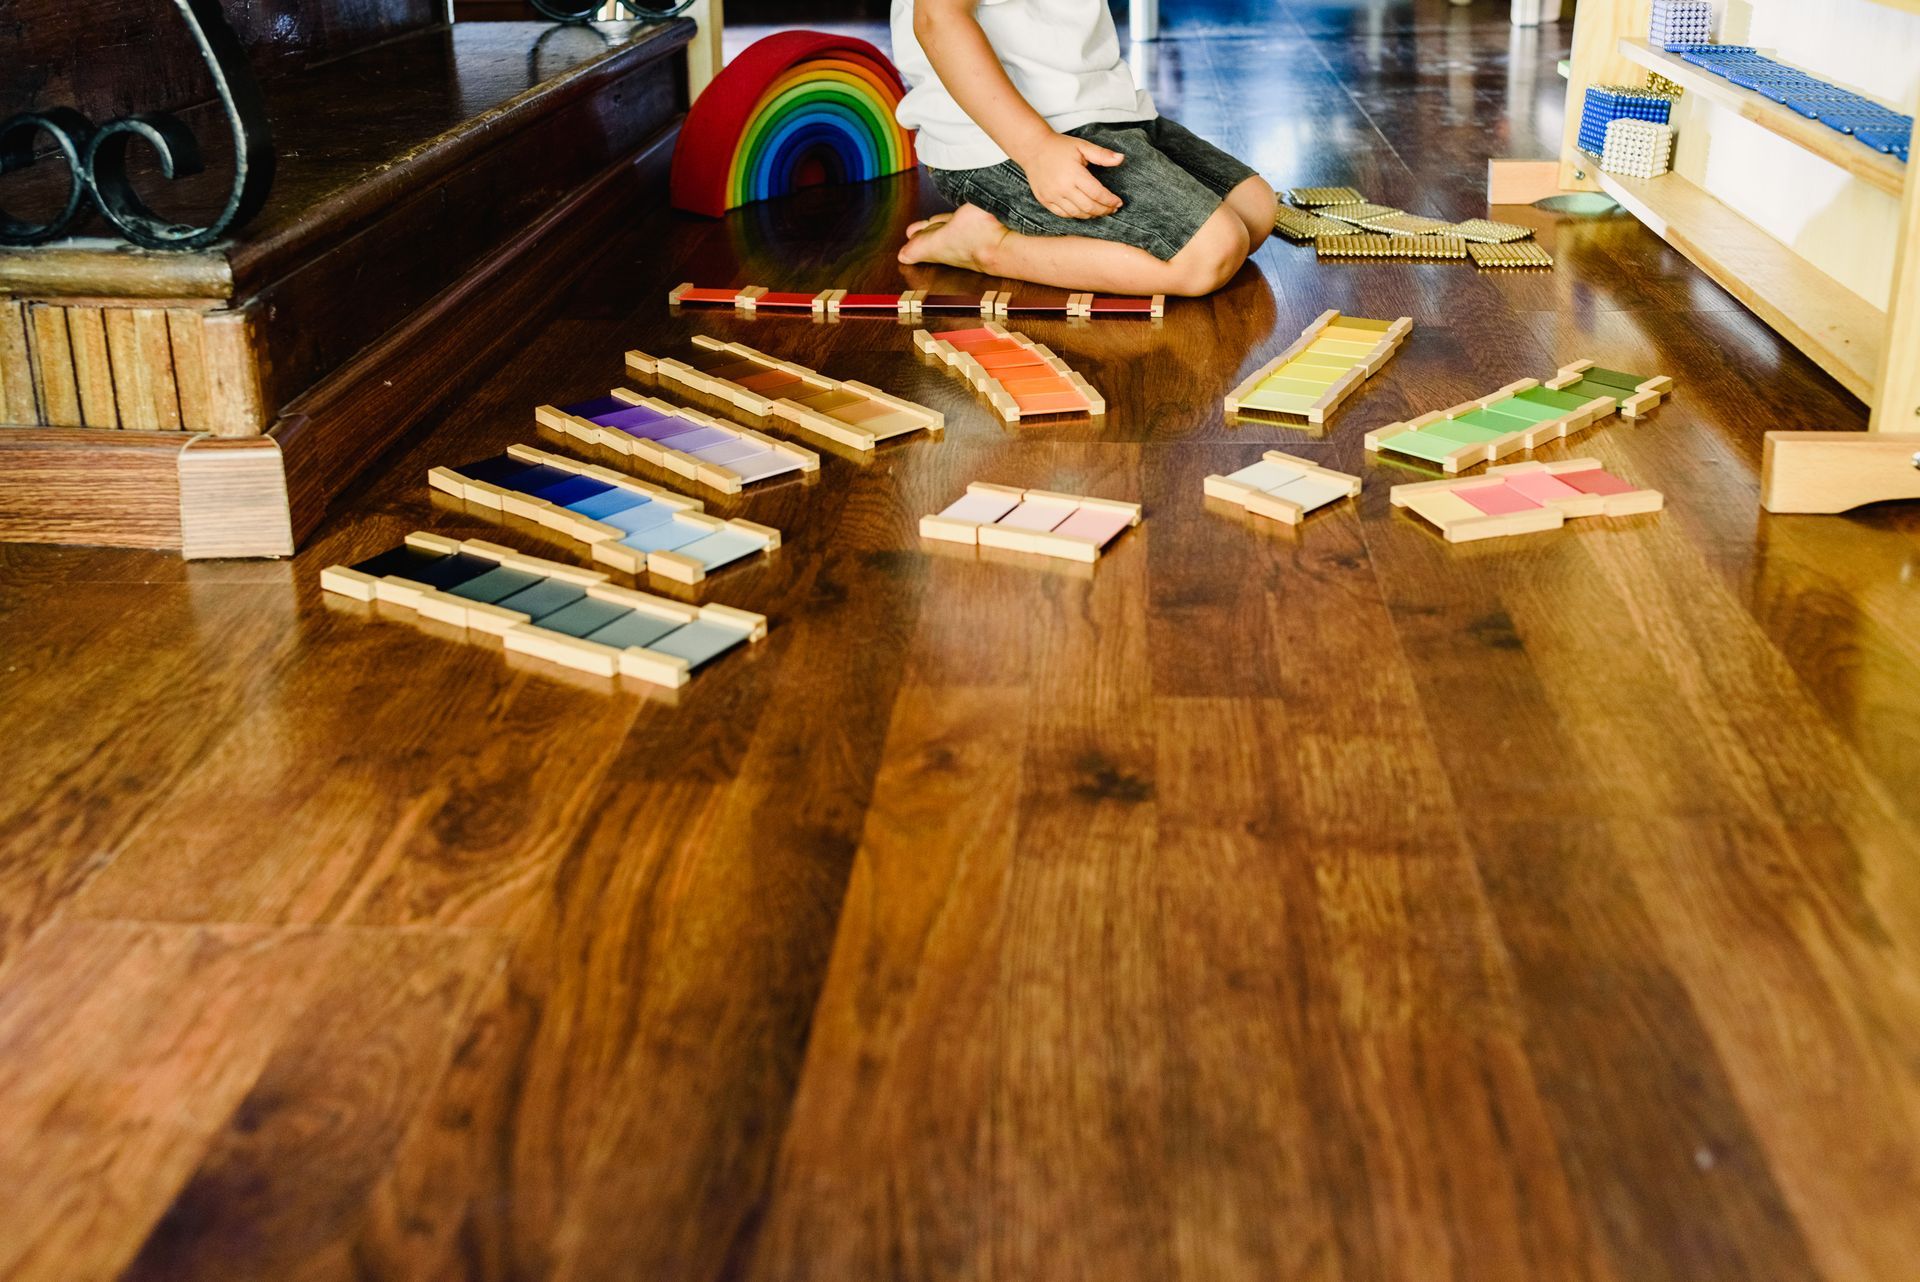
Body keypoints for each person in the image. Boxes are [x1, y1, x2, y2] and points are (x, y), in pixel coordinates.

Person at [890, 0, 1274, 296]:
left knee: (1255, 209)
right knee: (1209, 253)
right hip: (996, 138)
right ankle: (987, 245)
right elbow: (937, 20)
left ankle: (1002, 222)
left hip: (1101, 109)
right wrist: (1035, 147)